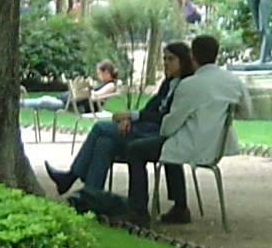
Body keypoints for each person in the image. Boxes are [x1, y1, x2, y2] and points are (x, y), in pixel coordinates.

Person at [49, 42, 189, 212]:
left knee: (100, 128)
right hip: (143, 129)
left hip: (155, 135)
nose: (165, 62)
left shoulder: (186, 86)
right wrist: (129, 120)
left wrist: (131, 116)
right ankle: (90, 199)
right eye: (164, 58)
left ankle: (71, 178)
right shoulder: (168, 83)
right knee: (104, 143)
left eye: (171, 59)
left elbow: (165, 118)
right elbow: (148, 110)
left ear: (183, 60)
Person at [152, 33, 247, 224]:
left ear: (192, 56)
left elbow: (170, 125)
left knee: (136, 149)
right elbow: (246, 113)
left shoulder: (190, 85)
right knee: (167, 145)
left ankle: (138, 209)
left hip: (189, 145)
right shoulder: (234, 82)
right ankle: (177, 206)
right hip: (216, 146)